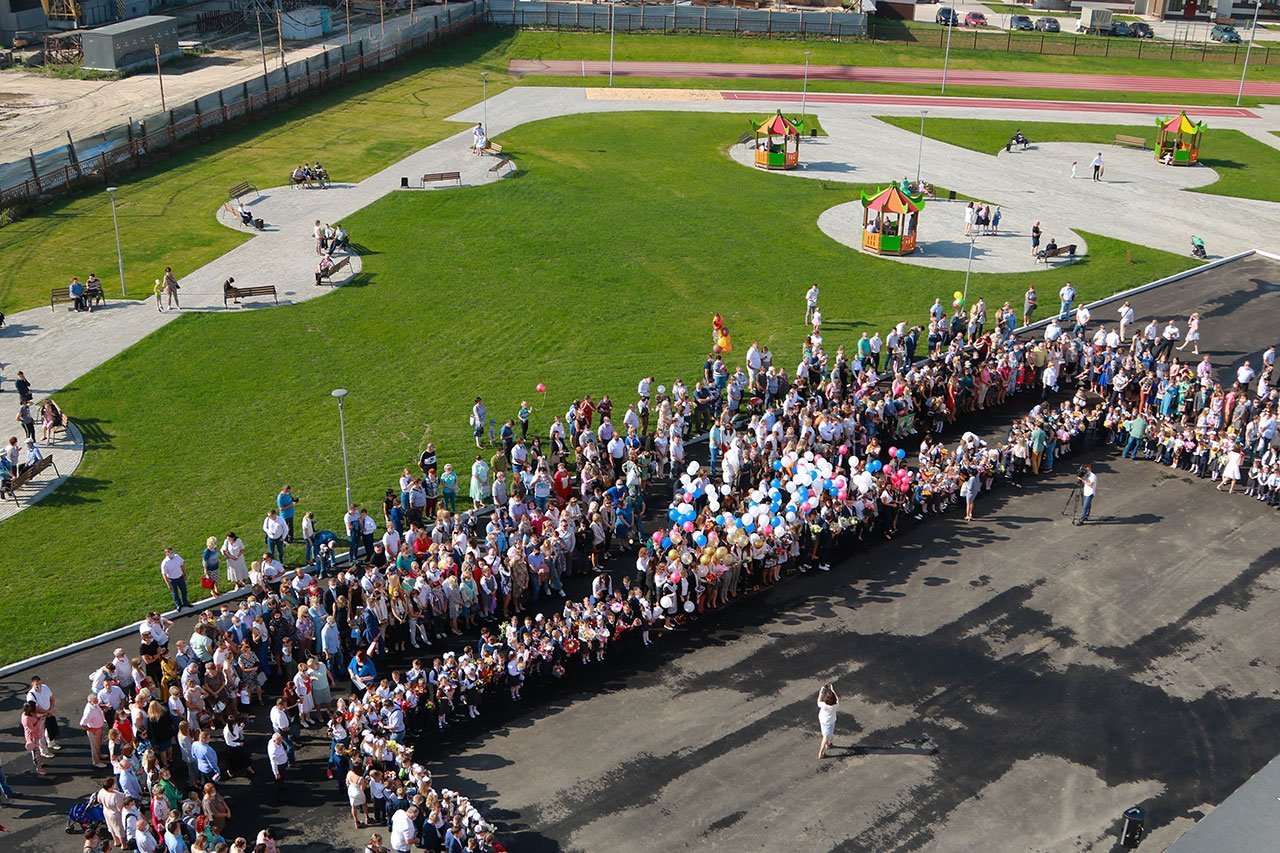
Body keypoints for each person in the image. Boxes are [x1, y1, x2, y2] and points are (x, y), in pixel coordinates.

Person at [817, 683, 839, 759]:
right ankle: (821, 752)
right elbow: (838, 699)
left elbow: (818, 701)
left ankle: (827, 744)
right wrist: (833, 690)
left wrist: (822, 691)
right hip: (830, 722)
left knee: (825, 733)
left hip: (822, 719)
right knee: (826, 735)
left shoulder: (823, 705)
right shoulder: (835, 706)